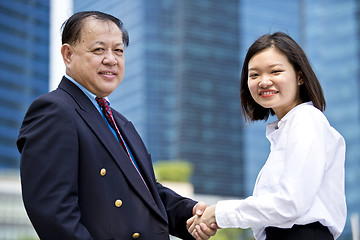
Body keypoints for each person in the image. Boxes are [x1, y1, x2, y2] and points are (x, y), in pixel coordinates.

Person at [17, 11, 216, 240]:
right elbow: (54, 215)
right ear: (68, 54)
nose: (111, 59)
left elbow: (143, 191)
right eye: (99, 49)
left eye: (118, 51)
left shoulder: (119, 121)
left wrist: (189, 213)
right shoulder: (54, 111)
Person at [187, 32, 347, 240]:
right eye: (254, 75)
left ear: (300, 76)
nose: (263, 81)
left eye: (275, 71)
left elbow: (290, 203)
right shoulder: (286, 130)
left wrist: (219, 213)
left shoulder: (306, 120)